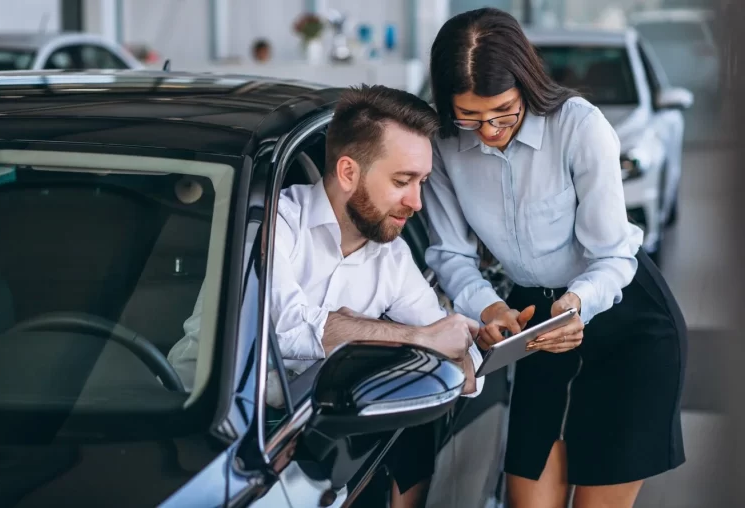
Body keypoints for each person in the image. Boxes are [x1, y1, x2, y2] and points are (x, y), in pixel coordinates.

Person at [168, 84, 484, 508]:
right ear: (349, 172)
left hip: (308, 450)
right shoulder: (272, 223)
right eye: (402, 181)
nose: (417, 202)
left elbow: (461, 359)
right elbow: (285, 328)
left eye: (422, 181)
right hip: (196, 430)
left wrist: (462, 353)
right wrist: (418, 339)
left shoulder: (391, 256)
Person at [422, 8, 687, 508]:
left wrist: (578, 302)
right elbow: (449, 252)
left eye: (503, 112)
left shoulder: (578, 127)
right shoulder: (442, 143)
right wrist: (487, 306)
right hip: (534, 327)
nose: (488, 130)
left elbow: (613, 254)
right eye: (470, 117)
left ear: (524, 84)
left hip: (625, 324)